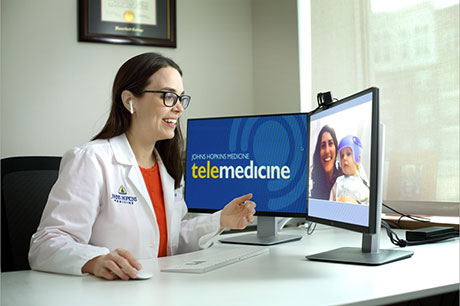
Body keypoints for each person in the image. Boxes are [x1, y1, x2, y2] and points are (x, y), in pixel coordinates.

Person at [28, 52, 256, 280]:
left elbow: (169, 241)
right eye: (168, 96)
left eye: (181, 98)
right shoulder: (91, 159)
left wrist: (220, 220)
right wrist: (94, 260)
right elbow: (46, 245)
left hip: (157, 290)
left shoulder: (168, 167)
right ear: (130, 101)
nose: (179, 108)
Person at [329, 135, 369, 204]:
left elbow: (367, 207)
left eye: (348, 154)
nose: (344, 158)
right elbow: (330, 203)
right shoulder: (338, 182)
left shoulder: (363, 186)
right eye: (342, 156)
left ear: (358, 159)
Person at [309, 125, 342, 200]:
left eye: (330, 144)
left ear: (336, 149)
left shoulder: (343, 181)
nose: (327, 151)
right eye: (323, 146)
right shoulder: (314, 185)